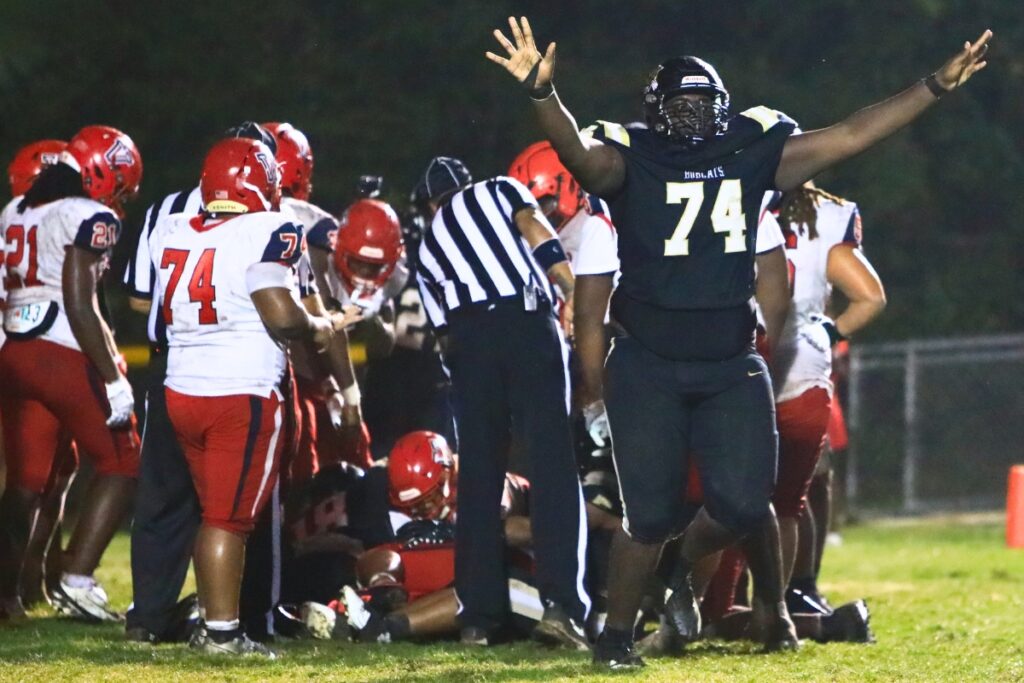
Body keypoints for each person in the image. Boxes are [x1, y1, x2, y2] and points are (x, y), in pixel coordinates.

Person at [486, 15, 991, 668]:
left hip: (730, 361)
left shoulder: (752, 152)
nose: (693, 115)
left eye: (703, 104)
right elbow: (579, 155)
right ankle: (614, 638)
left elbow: (850, 134)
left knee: (747, 502)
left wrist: (933, 86)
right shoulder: (634, 158)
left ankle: (681, 572)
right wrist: (542, 94)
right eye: (682, 103)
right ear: (657, 111)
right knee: (650, 511)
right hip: (649, 362)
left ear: (722, 111)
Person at [146, 137, 351, 657]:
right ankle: (222, 635)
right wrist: (319, 326)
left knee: (215, 513)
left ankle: (216, 622)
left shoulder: (173, 228)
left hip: (181, 390)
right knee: (228, 520)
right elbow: (280, 312)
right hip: (239, 391)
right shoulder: (270, 227)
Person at [413, 155, 590, 648]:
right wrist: (569, 288)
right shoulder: (497, 189)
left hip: (469, 338)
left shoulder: (428, 244)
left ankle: (477, 617)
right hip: (525, 318)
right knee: (554, 465)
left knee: (478, 478)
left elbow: (443, 335)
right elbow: (533, 227)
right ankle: (562, 607)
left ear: (431, 204)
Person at [122, 122, 279, 644]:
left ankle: (149, 617)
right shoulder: (267, 223)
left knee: (164, 502)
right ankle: (239, 621)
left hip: (174, 369)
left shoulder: (166, 215)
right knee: (231, 510)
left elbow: (141, 300)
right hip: (237, 372)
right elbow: (279, 305)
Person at [0, 125, 143, 622]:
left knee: (27, 483)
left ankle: (10, 594)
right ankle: (76, 580)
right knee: (124, 461)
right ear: (104, 174)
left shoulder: (17, 210)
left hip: (15, 351)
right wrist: (114, 378)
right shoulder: (89, 214)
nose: (125, 193)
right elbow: (81, 306)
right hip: (62, 349)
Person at [772, 183, 885, 612]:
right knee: (801, 485)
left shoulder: (724, 194)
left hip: (734, 354)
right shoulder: (825, 214)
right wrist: (827, 332)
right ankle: (796, 591)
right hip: (801, 362)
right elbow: (871, 296)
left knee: (731, 485)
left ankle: (711, 599)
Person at [2, 139, 77, 609]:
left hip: (33, 354)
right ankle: (11, 592)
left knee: (55, 475)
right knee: (30, 482)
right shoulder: (34, 219)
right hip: (29, 357)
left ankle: (34, 582)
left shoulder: (17, 217)